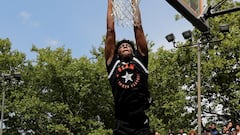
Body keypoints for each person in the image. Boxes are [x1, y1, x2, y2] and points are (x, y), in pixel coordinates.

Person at [105, 0, 151, 134]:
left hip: (141, 124)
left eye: (128, 46)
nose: (125, 46)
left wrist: (134, 3)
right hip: (121, 124)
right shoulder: (112, 63)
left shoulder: (140, 60)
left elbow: (138, 27)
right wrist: (110, 3)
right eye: (121, 46)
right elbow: (110, 30)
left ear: (133, 50)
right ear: (117, 53)